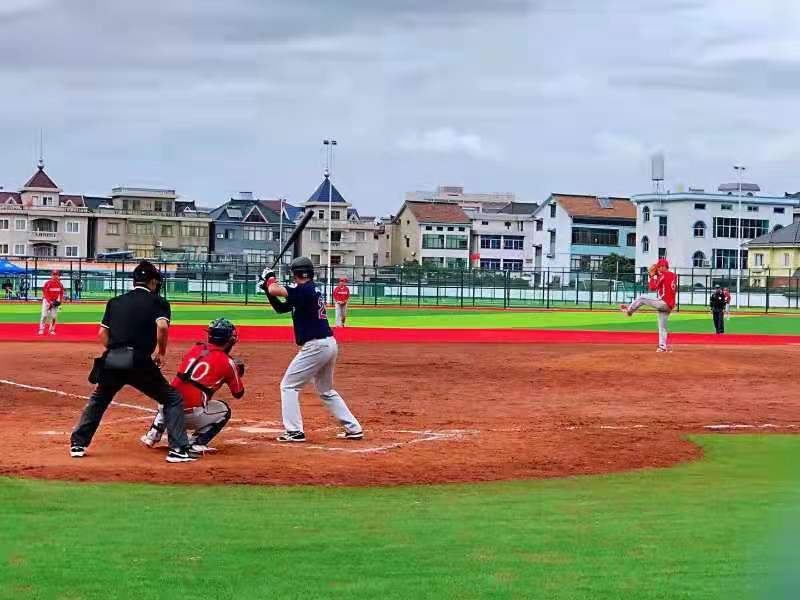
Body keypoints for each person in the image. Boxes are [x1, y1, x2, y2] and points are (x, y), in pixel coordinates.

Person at [69, 260, 200, 463]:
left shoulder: (115, 301)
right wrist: (161, 352)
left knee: (99, 399)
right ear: (153, 282)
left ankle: (78, 444)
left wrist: (116, 349)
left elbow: (102, 333)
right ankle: (178, 449)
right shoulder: (158, 302)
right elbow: (162, 327)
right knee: (172, 398)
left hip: (113, 358)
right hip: (139, 359)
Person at [261, 256, 363, 442]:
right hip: (327, 344)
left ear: (295, 274)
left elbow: (275, 288)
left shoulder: (303, 290)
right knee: (326, 390)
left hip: (316, 346)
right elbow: (281, 308)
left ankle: (294, 431)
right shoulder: (307, 290)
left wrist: (270, 277)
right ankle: (353, 428)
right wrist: (267, 290)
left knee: (289, 386)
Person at [141, 318, 245, 453]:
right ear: (230, 340)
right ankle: (197, 443)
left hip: (167, 409)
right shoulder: (228, 363)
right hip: (190, 416)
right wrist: (234, 372)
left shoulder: (196, 348)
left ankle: (152, 435)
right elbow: (238, 393)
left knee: (170, 395)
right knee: (224, 410)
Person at [620, 258, 677, 352]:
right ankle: (662, 347)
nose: (658, 268)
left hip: (663, 303)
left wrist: (651, 276)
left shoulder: (663, 275)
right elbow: (664, 281)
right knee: (662, 326)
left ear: (664, 267)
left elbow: (652, 288)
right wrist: (657, 274)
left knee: (642, 298)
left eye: (659, 267)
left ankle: (629, 311)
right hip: (670, 306)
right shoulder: (673, 275)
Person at [39, 270, 64, 335]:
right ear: (51, 275)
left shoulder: (60, 284)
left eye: (56, 275)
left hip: (54, 301)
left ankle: (52, 330)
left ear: (58, 276)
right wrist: (49, 302)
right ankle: (41, 329)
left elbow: (61, 293)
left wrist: (60, 301)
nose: (55, 276)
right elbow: (45, 294)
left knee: (54, 317)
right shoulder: (47, 283)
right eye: (54, 274)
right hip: (46, 301)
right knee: (44, 315)